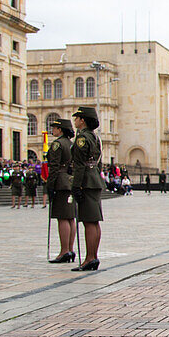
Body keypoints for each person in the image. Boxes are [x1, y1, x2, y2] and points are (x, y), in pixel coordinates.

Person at [70, 106, 104, 271]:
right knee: (94, 222)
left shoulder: (82, 138)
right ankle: (93, 256)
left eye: (76, 118)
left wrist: (76, 185)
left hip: (86, 182)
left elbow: (79, 165)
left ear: (82, 120)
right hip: (95, 179)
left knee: (89, 222)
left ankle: (90, 257)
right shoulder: (95, 138)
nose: (75, 120)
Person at [45, 119, 77, 264]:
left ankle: (64, 251)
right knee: (70, 217)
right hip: (70, 180)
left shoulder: (58, 144)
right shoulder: (71, 144)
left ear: (60, 130)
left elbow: (54, 166)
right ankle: (69, 249)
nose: (53, 130)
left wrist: (50, 185)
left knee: (62, 217)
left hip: (61, 181)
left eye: (55, 128)